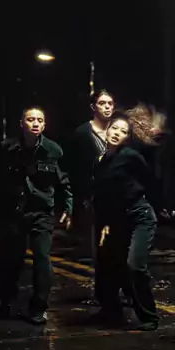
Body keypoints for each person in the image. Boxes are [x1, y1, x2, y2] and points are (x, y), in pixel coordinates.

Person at [0, 106, 73, 324]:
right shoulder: (7, 148)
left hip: (41, 212)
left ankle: (38, 308)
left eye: (39, 120)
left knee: (42, 259)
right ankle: (4, 303)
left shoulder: (53, 150)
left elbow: (64, 182)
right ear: (21, 123)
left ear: (44, 124)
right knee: (7, 259)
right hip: (13, 211)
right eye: (31, 119)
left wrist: (68, 208)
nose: (35, 123)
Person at [91, 104, 166, 330]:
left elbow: (151, 180)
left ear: (127, 138)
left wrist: (159, 206)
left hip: (140, 216)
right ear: (107, 129)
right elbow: (102, 196)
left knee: (135, 266)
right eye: (115, 128)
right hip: (117, 220)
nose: (117, 133)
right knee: (109, 264)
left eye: (123, 132)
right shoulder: (101, 160)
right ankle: (111, 311)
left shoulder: (131, 156)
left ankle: (149, 316)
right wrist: (104, 224)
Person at [68, 89, 115, 239]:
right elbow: (75, 170)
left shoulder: (119, 131)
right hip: (91, 199)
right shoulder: (82, 133)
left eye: (110, 103)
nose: (107, 107)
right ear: (93, 107)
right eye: (102, 103)